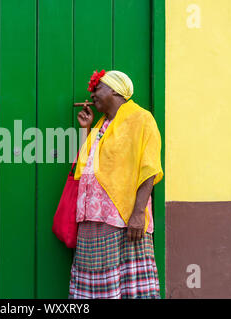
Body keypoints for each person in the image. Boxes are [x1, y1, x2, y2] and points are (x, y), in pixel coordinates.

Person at [69, 70, 163, 299]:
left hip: (121, 219)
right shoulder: (102, 125)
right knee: (95, 286)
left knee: (125, 286)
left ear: (114, 90)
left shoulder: (141, 119)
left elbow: (149, 169)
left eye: (97, 89)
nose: (92, 95)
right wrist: (86, 129)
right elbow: (86, 165)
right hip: (93, 219)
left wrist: (138, 213)